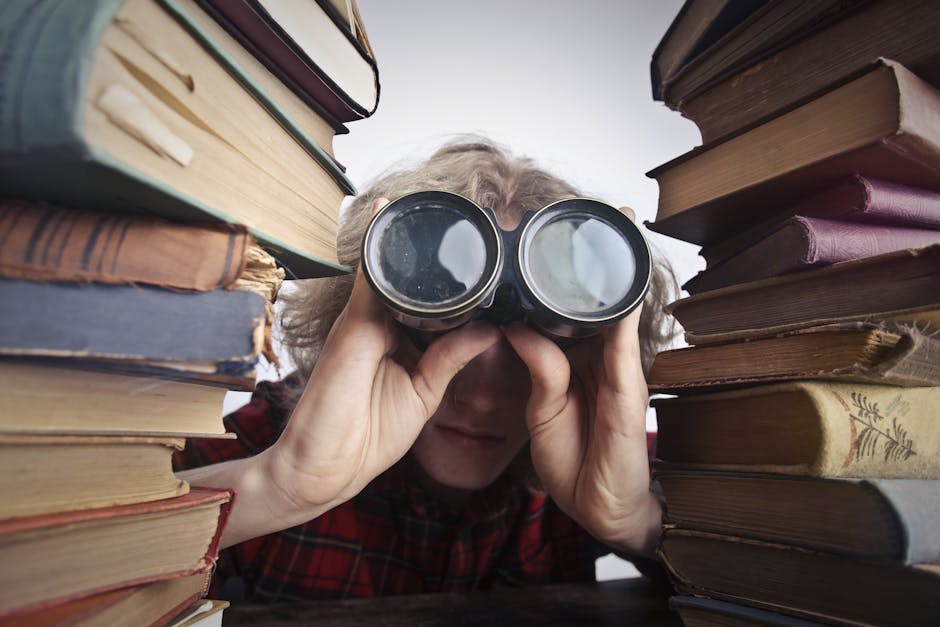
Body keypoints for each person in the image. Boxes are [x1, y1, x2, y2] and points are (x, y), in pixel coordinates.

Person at [175, 137, 678, 602]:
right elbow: (93, 556)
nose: (481, 399)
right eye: (442, 332)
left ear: (589, 358)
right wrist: (276, 486)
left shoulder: (603, 453)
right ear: (366, 323)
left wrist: (636, 521)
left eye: (530, 351)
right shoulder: (262, 443)